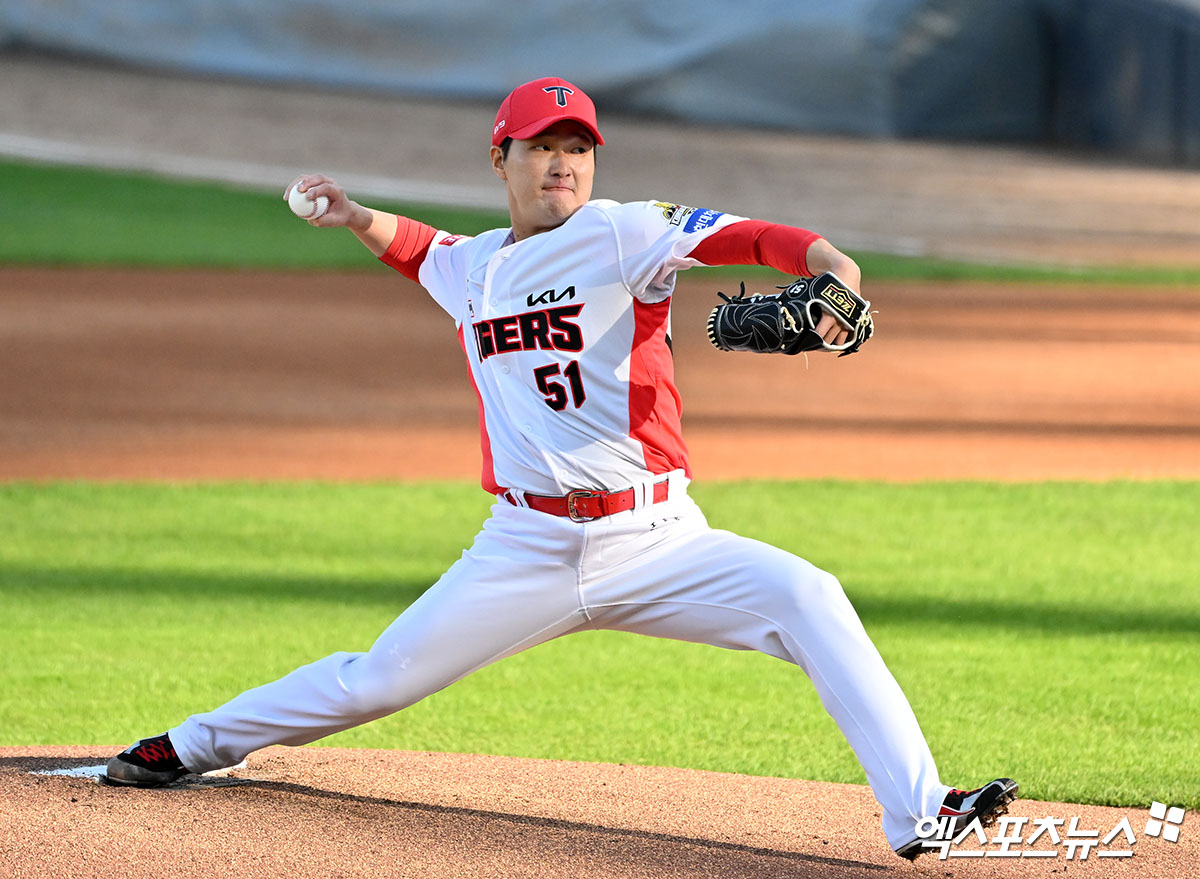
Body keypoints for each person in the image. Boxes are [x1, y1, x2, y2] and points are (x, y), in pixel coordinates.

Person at [106, 76, 1017, 860]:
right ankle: (188, 745)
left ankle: (921, 811)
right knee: (377, 679)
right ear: (499, 158)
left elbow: (751, 236)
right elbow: (423, 250)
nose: (562, 163)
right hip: (526, 546)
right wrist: (351, 216)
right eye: (542, 146)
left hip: (659, 537)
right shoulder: (476, 268)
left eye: (577, 146)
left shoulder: (626, 232)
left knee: (810, 594)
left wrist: (831, 262)